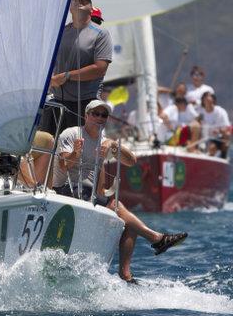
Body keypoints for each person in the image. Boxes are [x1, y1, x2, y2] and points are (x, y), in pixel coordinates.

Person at [52, 100, 188, 283]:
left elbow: (132, 161)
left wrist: (115, 146)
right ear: (86, 115)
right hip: (66, 188)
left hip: (89, 193)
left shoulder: (104, 142)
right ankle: (156, 238)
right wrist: (76, 153)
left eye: (104, 115)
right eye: (95, 114)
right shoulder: (72, 134)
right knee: (117, 206)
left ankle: (126, 274)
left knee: (128, 223)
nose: (99, 118)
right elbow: (63, 164)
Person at [40, 0, 113, 136]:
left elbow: (100, 69)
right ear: (70, 7)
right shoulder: (60, 32)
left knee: (78, 153)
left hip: (85, 103)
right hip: (57, 102)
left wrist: (66, 76)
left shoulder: (101, 33)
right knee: (48, 150)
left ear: (91, 8)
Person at [196, 92, 230, 157]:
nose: (207, 99)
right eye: (205, 97)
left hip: (217, 138)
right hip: (203, 138)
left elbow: (227, 127)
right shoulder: (200, 112)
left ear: (213, 100)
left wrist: (219, 130)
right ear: (203, 101)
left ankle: (223, 157)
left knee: (226, 135)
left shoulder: (220, 111)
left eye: (209, 96)